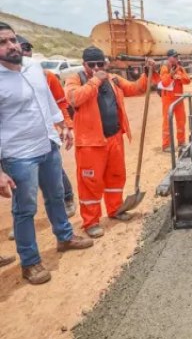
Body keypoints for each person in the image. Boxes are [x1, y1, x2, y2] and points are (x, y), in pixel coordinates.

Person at [0, 22, 93, 285]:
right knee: (25, 209)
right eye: (3, 43)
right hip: (18, 156)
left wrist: (62, 124)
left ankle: (65, 237)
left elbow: (48, 100)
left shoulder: (33, 68)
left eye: (12, 40)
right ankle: (30, 262)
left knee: (56, 196)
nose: (11, 46)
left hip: (47, 145)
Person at [64, 47, 158, 238]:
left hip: (114, 137)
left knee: (115, 176)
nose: (97, 67)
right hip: (90, 144)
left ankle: (115, 209)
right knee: (90, 183)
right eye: (92, 65)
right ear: (84, 65)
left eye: (100, 64)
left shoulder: (113, 79)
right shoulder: (76, 79)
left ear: (106, 63)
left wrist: (147, 73)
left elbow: (135, 88)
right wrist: (96, 80)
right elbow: (75, 98)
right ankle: (91, 221)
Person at [17, 35, 76, 217]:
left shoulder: (45, 76)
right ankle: (24, 213)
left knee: (55, 170)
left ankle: (67, 198)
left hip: (45, 135)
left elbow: (59, 103)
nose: (27, 53)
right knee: (22, 179)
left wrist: (66, 126)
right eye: (23, 50)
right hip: (19, 140)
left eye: (28, 50)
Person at [158, 49, 191, 152]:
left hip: (179, 99)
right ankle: (166, 145)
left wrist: (179, 76)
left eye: (177, 56)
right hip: (168, 100)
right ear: (169, 58)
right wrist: (171, 75)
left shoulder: (180, 68)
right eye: (174, 56)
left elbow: (187, 80)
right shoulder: (165, 68)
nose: (177, 58)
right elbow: (164, 83)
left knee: (181, 121)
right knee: (167, 123)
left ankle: (181, 142)